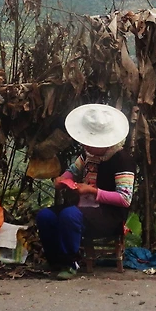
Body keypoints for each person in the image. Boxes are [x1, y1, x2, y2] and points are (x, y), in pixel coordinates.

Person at [35, 103, 134, 279]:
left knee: (69, 215)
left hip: (108, 215)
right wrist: (62, 180)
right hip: (83, 209)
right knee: (45, 216)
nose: (85, 145)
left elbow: (124, 199)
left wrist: (93, 191)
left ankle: (71, 262)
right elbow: (72, 171)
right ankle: (55, 259)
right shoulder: (88, 155)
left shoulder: (122, 160)